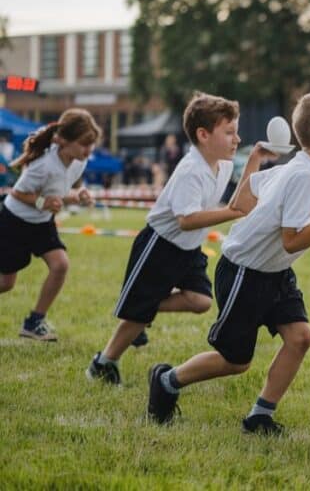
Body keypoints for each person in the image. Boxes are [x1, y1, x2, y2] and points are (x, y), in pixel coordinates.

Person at [145, 93, 310, 434]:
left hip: (274, 271)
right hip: (245, 271)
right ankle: (167, 380)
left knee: (300, 337)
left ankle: (260, 416)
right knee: (234, 361)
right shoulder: (303, 175)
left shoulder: (308, 170)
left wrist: (254, 159)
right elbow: (292, 239)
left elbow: (250, 192)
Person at [87, 93, 273, 384]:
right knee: (136, 317)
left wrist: (255, 159)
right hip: (159, 246)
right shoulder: (190, 170)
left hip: (188, 249)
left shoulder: (223, 164)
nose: (236, 138)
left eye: (236, 132)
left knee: (200, 301)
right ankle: (103, 362)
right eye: (229, 132)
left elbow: (239, 198)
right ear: (203, 134)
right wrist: (231, 212)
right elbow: (186, 220)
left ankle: (144, 304)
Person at [0, 109, 101, 341]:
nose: (88, 150)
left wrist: (79, 195)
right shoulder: (43, 164)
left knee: (60, 265)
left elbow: (59, 193)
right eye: (84, 144)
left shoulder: (78, 162)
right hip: (14, 222)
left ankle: (34, 322)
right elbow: (17, 193)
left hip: (42, 223)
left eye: (91, 144)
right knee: (6, 283)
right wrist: (42, 202)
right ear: (63, 141)